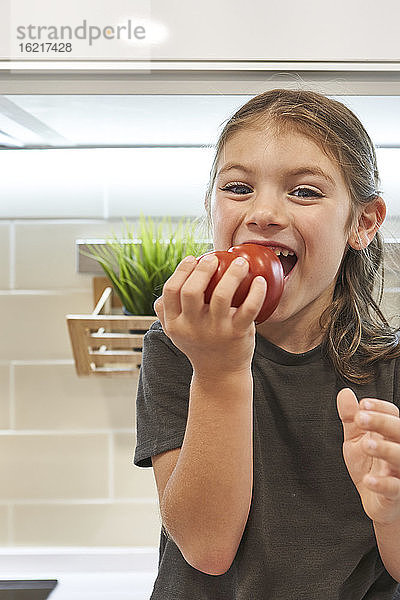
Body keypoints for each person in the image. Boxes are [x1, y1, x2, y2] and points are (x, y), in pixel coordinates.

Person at [133, 88, 400, 599]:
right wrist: (219, 372)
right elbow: (207, 547)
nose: (263, 213)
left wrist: (391, 511)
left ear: (362, 223)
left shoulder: (390, 366)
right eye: (238, 187)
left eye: (304, 192)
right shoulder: (179, 348)